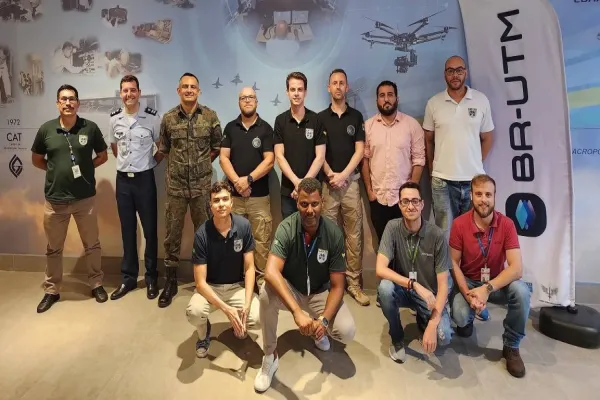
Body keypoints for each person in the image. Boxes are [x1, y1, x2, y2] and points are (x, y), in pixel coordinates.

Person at [254, 178, 356, 393]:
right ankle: (270, 355)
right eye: (304, 204)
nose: (310, 210)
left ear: (322, 203)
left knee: (346, 331)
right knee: (265, 294)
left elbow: (338, 286)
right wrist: (296, 311)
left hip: (319, 293)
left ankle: (319, 330)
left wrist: (325, 320)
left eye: (315, 204)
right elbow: (271, 271)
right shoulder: (287, 228)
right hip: (293, 290)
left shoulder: (333, 234)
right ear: (297, 203)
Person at [31, 84, 109, 313]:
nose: (68, 103)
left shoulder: (90, 128)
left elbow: (102, 156)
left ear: (78, 103)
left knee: (92, 244)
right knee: (54, 248)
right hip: (55, 200)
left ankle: (96, 284)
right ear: (58, 103)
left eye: (72, 99)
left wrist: (86, 169)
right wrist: (55, 171)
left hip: (85, 199)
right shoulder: (46, 130)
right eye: (63, 99)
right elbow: (37, 159)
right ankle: (52, 290)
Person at [449, 174, 530, 378]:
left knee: (521, 291)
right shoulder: (459, 224)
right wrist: (468, 294)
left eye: (488, 194)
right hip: (469, 283)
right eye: (478, 194)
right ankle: (469, 317)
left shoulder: (507, 224)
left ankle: (511, 345)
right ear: (471, 196)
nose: (483, 199)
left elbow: (516, 268)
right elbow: (453, 263)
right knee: (460, 317)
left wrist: (487, 289)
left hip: (495, 283)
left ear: (494, 196)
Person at [158, 72, 223, 308]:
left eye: (192, 87)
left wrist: (201, 165)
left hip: (201, 187)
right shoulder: (168, 118)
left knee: (204, 234)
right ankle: (171, 281)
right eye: (184, 86)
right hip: (175, 186)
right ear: (178, 91)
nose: (188, 90)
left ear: (198, 91)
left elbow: (217, 146)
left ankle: (205, 281)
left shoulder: (210, 116)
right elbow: (165, 149)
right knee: (172, 235)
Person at [376, 181, 453, 363]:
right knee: (385, 288)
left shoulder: (436, 235)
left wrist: (433, 324)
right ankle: (397, 337)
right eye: (405, 201)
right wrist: (414, 285)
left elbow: (443, 285)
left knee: (444, 337)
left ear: (422, 204)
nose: (410, 206)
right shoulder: (392, 227)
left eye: (415, 201)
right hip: (406, 290)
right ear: (399, 204)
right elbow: (380, 269)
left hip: (429, 295)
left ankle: (424, 319)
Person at [185, 181, 260, 357]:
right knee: (194, 313)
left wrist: (247, 303)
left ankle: (238, 323)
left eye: (225, 199)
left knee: (257, 318)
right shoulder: (202, 234)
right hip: (210, 288)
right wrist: (227, 310)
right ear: (210, 205)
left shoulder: (243, 226)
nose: (221, 204)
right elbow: (200, 283)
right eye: (216, 200)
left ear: (232, 202)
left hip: (236, 287)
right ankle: (203, 335)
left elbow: (250, 268)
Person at [423, 56, 495, 237]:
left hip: (474, 181)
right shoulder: (433, 103)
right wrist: (432, 170)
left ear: (465, 72)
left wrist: (475, 161)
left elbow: (487, 137)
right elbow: (428, 140)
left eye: (459, 70)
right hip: (442, 181)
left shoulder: (481, 100)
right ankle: (445, 260)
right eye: (450, 71)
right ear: (445, 75)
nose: (455, 75)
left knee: (471, 234)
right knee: (444, 234)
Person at [108, 75, 163, 301]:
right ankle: (128, 278)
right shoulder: (114, 119)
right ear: (120, 94)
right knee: (127, 231)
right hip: (123, 182)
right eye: (125, 90)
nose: (129, 94)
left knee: (150, 231)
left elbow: (161, 147)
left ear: (139, 93)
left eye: (132, 90)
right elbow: (115, 147)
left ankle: (151, 278)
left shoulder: (152, 118)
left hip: (144, 181)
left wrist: (149, 164)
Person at [318, 69, 368, 306]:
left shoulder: (356, 117)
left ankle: (354, 284)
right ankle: (329, 283)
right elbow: (318, 154)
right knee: (328, 235)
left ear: (347, 88)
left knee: (354, 236)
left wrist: (344, 175)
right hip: (328, 185)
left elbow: (359, 151)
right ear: (328, 88)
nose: (338, 87)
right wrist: (331, 175)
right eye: (334, 83)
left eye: (341, 83)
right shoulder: (320, 118)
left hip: (351, 184)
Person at [220, 87, 274, 287]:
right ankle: (237, 279)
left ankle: (261, 282)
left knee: (261, 242)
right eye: (243, 98)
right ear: (239, 102)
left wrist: (248, 180)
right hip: (235, 198)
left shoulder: (266, 129)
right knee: (234, 239)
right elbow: (223, 158)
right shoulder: (230, 128)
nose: (247, 100)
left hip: (259, 198)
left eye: (251, 97)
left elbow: (269, 160)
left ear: (257, 101)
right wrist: (238, 182)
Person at [362, 80, 425, 242]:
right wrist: (369, 191)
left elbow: (419, 160)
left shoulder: (412, 125)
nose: (386, 99)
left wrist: (411, 193)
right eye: (382, 95)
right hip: (378, 198)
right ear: (377, 100)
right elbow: (364, 161)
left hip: (404, 201)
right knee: (384, 246)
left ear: (397, 98)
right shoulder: (368, 127)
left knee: (407, 245)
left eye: (390, 95)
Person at [274, 72, 326, 219]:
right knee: (289, 230)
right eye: (292, 89)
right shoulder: (280, 121)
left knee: (312, 230)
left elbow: (320, 157)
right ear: (287, 92)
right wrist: (296, 182)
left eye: (300, 89)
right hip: (288, 191)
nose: (296, 93)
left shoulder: (316, 120)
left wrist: (303, 185)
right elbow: (279, 156)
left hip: (313, 192)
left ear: (305, 92)